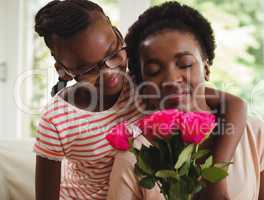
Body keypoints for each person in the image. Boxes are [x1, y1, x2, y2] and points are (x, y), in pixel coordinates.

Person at [34, 0, 246, 199]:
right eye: (89, 69)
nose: (110, 73)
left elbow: (234, 104)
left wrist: (217, 179)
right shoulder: (56, 122)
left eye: (113, 53)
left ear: (117, 34)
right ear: (63, 71)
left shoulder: (140, 83)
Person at [108, 2, 264, 200]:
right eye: (154, 71)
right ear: (142, 84)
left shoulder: (254, 133)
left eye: (185, 64)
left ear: (206, 69)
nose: (171, 79)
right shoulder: (134, 155)